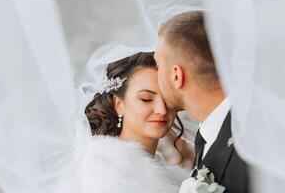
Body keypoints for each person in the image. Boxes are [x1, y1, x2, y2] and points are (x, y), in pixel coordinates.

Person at [154, 11, 249, 193]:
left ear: (176, 75)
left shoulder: (250, 142)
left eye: (158, 66)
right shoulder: (208, 134)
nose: (155, 75)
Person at [73, 52, 187, 193]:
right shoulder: (103, 172)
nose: (162, 110)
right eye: (146, 99)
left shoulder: (178, 179)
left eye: (168, 99)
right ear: (119, 104)